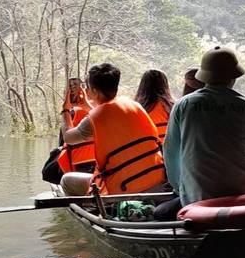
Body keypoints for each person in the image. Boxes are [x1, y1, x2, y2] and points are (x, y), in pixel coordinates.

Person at [158, 46, 245, 220]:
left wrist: (182, 189)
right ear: (234, 76)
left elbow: (171, 155)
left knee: (160, 213)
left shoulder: (184, 105)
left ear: (204, 76)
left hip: (198, 198)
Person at [60, 62, 166, 197]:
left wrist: (65, 110)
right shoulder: (134, 105)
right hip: (156, 181)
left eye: (88, 87)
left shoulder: (94, 119)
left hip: (123, 189)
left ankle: (99, 207)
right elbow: (109, 117)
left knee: (66, 180)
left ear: (94, 91)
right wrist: (88, 106)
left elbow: (68, 138)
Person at [57, 77, 96, 175]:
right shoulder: (104, 110)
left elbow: (63, 142)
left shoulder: (71, 113)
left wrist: (65, 110)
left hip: (77, 165)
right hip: (99, 163)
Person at [133, 69, 175, 142]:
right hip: (170, 151)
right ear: (165, 85)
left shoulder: (135, 108)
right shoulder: (172, 107)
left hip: (146, 151)